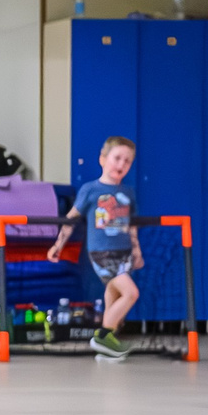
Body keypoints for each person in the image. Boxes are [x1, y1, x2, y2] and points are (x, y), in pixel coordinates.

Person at [48, 136, 144, 360]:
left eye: (127, 161)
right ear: (102, 159)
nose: (121, 165)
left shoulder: (128, 193)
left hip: (123, 253)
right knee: (131, 293)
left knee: (113, 292)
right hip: (102, 253)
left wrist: (137, 252)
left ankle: (108, 346)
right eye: (117, 158)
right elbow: (71, 219)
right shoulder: (90, 190)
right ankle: (103, 335)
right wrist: (58, 245)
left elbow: (132, 227)